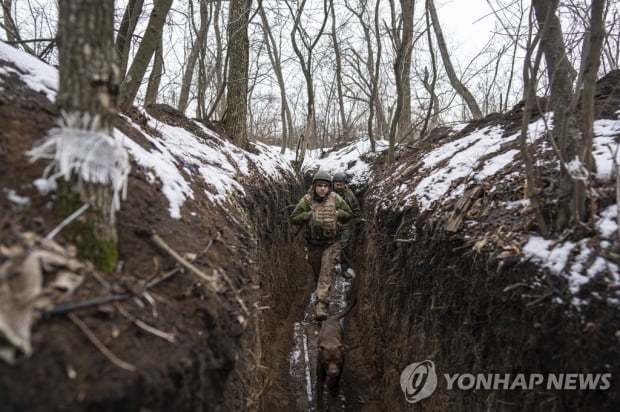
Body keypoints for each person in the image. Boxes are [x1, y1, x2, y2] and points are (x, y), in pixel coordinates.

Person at [291, 170, 353, 321]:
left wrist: (338, 214)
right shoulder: (306, 200)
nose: (323, 189)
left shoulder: (335, 198)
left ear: (329, 187)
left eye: (325, 186)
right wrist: (307, 215)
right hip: (313, 244)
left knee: (326, 273)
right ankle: (320, 294)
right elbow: (294, 217)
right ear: (314, 187)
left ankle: (321, 305)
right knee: (318, 273)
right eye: (320, 186)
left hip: (332, 243)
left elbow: (348, 213)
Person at [332, 171, 361, 278]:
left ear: (345, 184)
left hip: (345, 224)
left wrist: (358, 221)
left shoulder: (349, 194)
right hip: (329, 223)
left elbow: (355, 207)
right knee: (329, 246)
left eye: (341, 184)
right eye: (337, 184)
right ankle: (331, 267)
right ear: (333, 183)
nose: (339, 186)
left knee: (344, 246)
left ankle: (344, 268)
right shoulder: (328, 193)